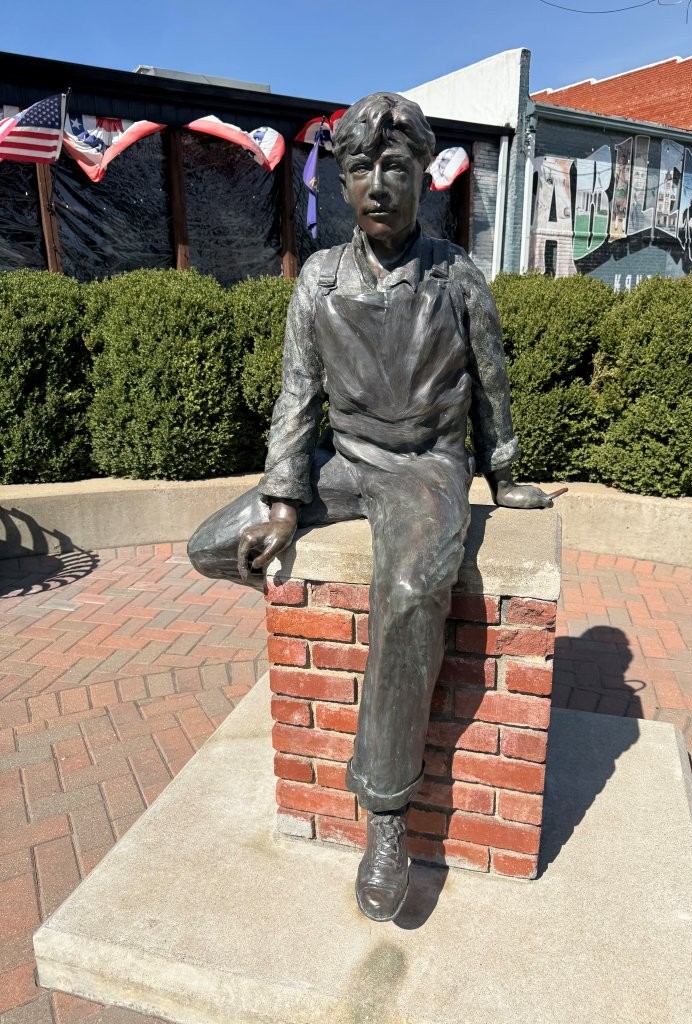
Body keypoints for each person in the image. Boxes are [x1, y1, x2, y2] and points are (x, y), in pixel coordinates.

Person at [187, 92, 552, 923]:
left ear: (424, 177)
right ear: (343, 183)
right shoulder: (318, 281)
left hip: (426, 466)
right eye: (361, 169)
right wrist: (285, 498)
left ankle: (386, 817)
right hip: (348, 463)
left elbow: (491, 382)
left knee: (413, 592)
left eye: (395, 166)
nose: (378, 183)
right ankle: (327, 629)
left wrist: (499, 473)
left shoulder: (458, 275)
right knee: (214, 544)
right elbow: (295, 400)